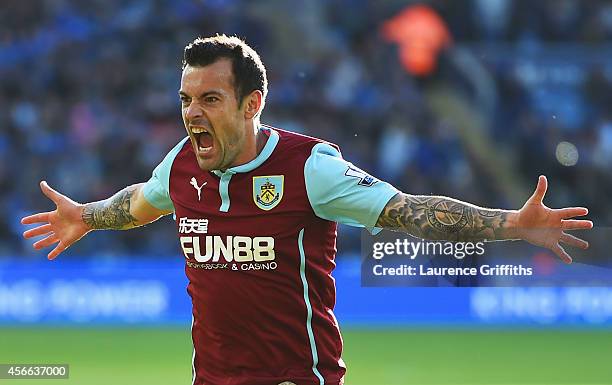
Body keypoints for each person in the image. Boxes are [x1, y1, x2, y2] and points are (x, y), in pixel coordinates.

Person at [21, 35, 593, 385]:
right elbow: (139, 204)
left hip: (294, 379)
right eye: (187, 100)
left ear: (252, 105)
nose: (193, 113)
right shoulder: (180, 166)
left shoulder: (309, 167)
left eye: (210, 100)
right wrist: (88, 216)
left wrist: (512, 224)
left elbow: (408, 210)